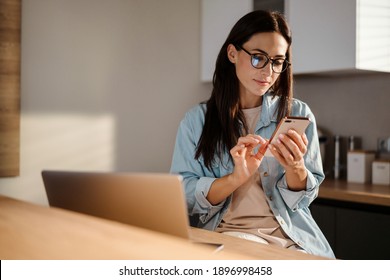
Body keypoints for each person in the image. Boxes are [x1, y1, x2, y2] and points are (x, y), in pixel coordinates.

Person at [170, 10, 335, 259]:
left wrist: (297, 167)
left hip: (293, 237)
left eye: (278, 61)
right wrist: (235, 178)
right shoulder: (197, 121)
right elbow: (183, 195)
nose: (268, 72)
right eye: (259, 58)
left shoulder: (299, 112)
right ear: (232, 53)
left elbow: (303, 200)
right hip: (232, 234)